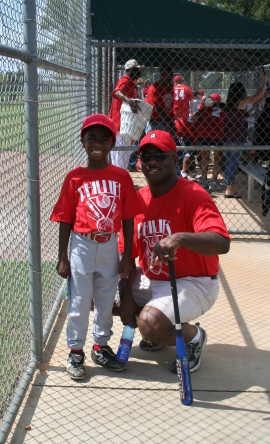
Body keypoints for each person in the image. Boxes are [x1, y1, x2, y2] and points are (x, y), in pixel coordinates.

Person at [118, 130, 230, 373]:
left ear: (175, 160)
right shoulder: (138, 199)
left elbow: (222, 242)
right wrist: (125, 292)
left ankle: (193, 337)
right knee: (95, 292)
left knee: (150, 323)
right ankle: (158, 328)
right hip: (153, 279)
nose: (152, 161)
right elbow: (125, 256)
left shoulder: (193, 194)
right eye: (146, 156)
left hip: (195, 282)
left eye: (160, 155)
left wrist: (179, 238)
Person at [50, 114, 142, 380]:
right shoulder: (75, 177)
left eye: (105, 138)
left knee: (104, 299)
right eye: (92, 138)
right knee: (79, 300)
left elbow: (127, 217)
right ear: (83, 142)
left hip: (110, 244)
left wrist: (126, 255)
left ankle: (100, 346)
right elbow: (66, 218)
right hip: (82, 245)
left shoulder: (121, 176)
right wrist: (62, 257)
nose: (98, 144)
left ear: (113, 143)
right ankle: (75, 351)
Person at [223, 74, 268, 198]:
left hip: (227, 137)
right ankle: (229, 189)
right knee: (233, 162)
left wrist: (252, 108)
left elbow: (239, 117)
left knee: (229, 161)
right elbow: (258, 96)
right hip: (236, 137)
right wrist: (264, 83)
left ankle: (228, 186)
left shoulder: (229, 105)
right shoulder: (241, 102)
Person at [109, 59, 141, 169]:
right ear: (131, 70)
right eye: (137, 70)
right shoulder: (125, 80)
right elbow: (117, 92)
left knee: (123, 155)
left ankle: (119, 180)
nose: (139, 72)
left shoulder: (132, 82)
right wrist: (128, 100)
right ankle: (119, 181)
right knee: (120, 155)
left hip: (126, 124)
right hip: (120, 124)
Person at [193, 93, 226, 190]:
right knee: (217, 158)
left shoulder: (206, 108)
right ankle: (214, 182)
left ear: (218, 101)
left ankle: (204, 180)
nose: (211, 101)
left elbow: (194, 118)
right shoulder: (224, 111)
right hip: (216, 135)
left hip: (203, 135)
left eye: (214, 100)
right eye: (211, 99)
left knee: (205, 157)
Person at [173, 75, 195, 179]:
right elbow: (191, 103)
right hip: (185, 119)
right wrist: (192, 114)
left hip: (174, 118)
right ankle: (183, 172)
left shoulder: (172, 89)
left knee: (176, 145)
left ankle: (178, 172)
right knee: (186, 146)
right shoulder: (187, 89)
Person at [146, 65, 175, 135]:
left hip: (169, 120)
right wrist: (169, 124)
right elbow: (157, 108)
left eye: (172, 75)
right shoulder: (154, 88)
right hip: (157, 122)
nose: (171, 78)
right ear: (163, 74)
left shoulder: (170, 87)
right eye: (169, 75)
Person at [253, 96, 270, 164]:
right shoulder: (264, 114)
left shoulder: (263, 114)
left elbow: (257, 128)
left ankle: (258, 162)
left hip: (260, 145)